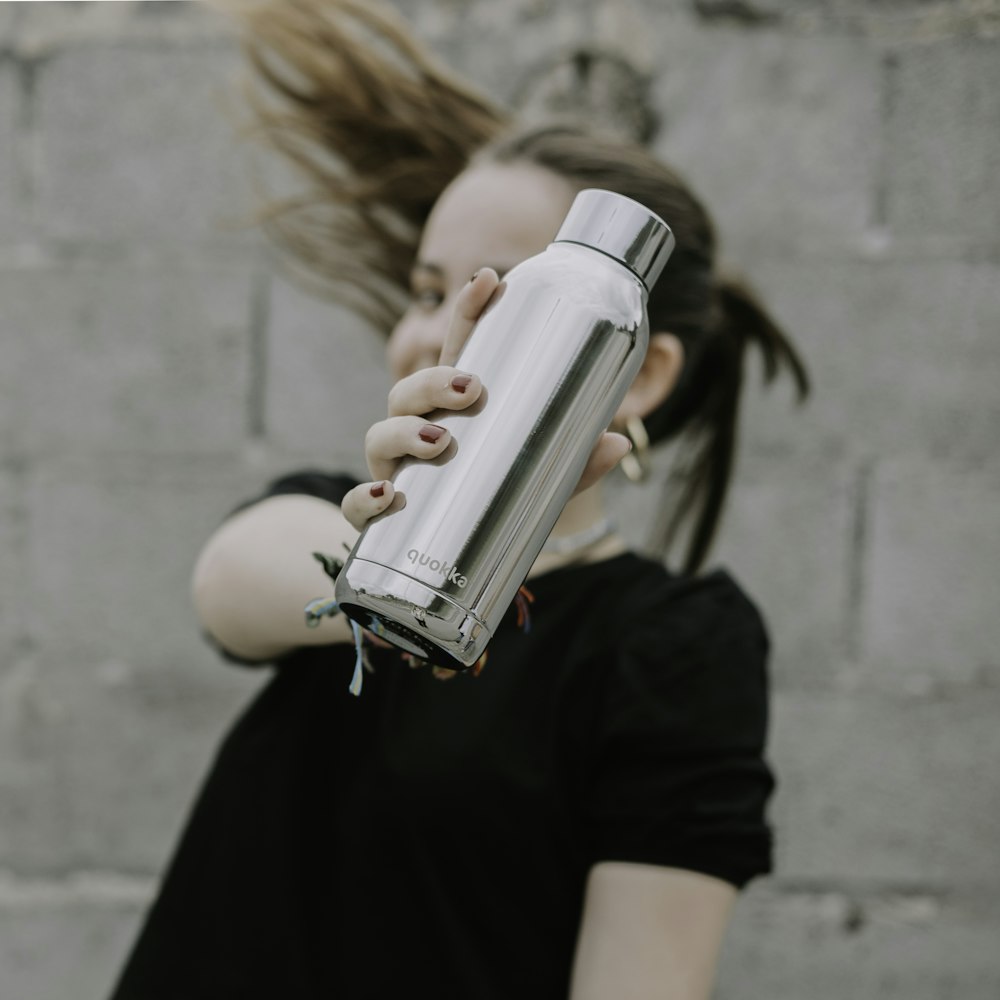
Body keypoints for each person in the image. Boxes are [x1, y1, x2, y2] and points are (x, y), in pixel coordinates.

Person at [109, 1, 809, 998]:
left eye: (495, 301)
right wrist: (407, 547)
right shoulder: (337, 524)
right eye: (425, 288)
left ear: (640, 374)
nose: (418, 334)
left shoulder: (672, 645)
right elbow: (228, 585)